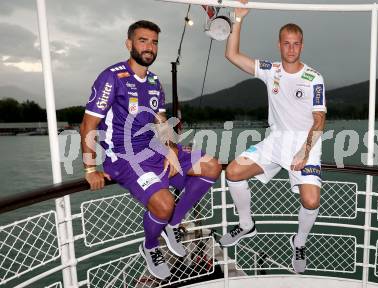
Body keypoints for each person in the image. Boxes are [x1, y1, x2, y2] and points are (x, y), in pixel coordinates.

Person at [79, 20, 222, 280]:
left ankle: (174, 223)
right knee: (163, 204)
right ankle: (150, 245)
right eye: (143, 40)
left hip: (153, 150)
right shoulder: (112, 77)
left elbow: (161, 123)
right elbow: (88, 124)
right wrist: (90, 168)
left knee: (211, 165)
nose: (149, 47)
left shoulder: (155, 81)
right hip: (124, 158)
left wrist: (170, 148)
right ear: (129, 43)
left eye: (154, 42)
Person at [218, 0, 326, 274]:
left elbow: (319, 120)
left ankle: (299, 242)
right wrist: (239, 19)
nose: (291, 48)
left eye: (296, 43)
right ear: (279, 44)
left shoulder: (314, 77)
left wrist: (304, 151)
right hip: (276, 140)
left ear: (302, 45)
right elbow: (232, 55)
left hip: (306, 144)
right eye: (286, 43)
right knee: (233, 172)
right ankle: (246, 225)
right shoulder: (271, 69)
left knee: (311, 201)